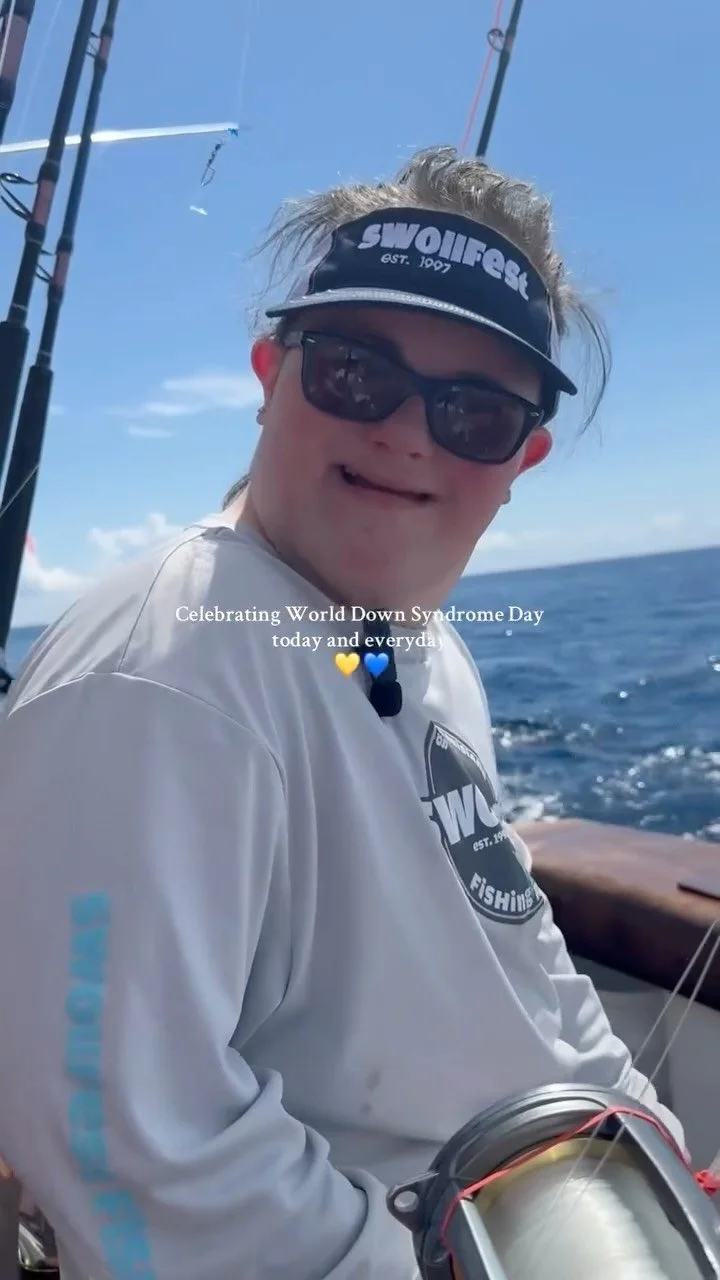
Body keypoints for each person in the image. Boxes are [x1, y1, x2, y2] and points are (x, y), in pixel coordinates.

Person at [0, 146, 684, 1280]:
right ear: (272, 374)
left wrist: (647, 1139)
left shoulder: (418, 643)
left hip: (542, 1201)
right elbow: (132, 1157)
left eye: (474, 412)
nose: (407, 432)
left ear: (522, 455)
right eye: (358, 373)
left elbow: (516, 941)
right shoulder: (157, 679)